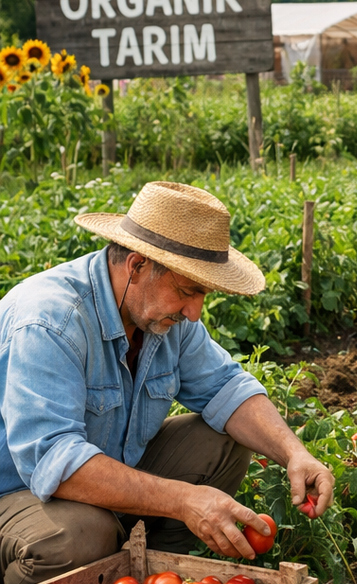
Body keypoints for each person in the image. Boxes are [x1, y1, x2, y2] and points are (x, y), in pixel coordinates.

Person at [0, 181, 335, 584]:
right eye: (187, 291)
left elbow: (227, 387)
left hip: (101, 477)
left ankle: (156, 569)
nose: (194, 313)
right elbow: (55, 462)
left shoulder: (160, 315)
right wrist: (183, 500)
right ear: (137, 266)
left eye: (202, 295)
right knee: (80, 536)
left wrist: (294, 453)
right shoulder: (52, 320)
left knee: (222, 443)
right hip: (17, 492)